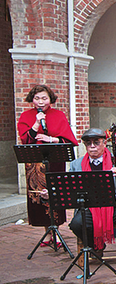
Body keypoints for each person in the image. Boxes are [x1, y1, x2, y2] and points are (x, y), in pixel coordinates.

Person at [67, 127, 116, 265]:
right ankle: (96, 246)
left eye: (96, 142)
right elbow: (69, 187)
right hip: (90, 206)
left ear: (104, 143)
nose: (92, 146)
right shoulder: (76, 164)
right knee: (77, 224)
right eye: (88, 143)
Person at [16, 84, 79, 241]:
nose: (40, 102)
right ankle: (47, 231)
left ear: (50, 99)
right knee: (39, 196)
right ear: (32, 99)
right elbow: (25, 140)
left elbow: (68, 140)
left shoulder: (59, 115)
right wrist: (36, 123)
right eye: (37, 98)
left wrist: (50, 139)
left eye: (44, 98)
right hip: (35, 164)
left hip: (55, 160)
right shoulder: (26, 116)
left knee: (55, 193)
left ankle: (56, 230)